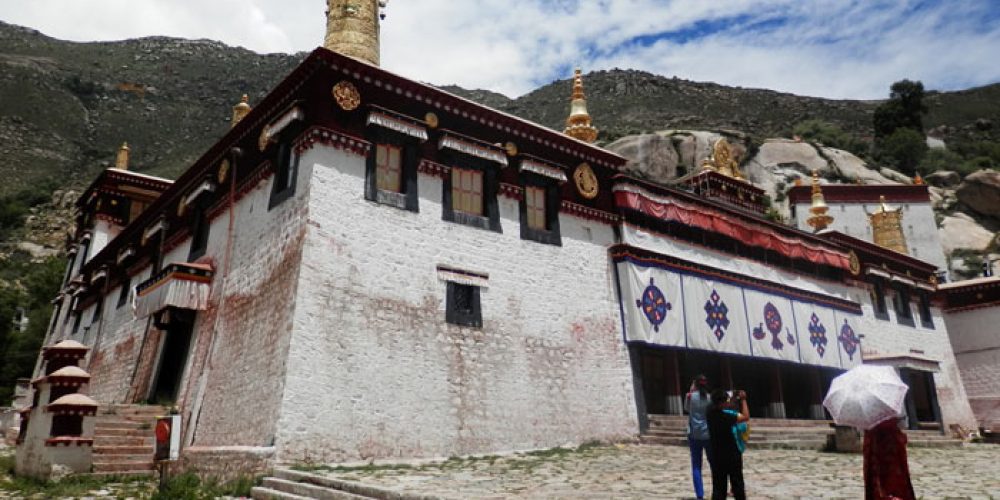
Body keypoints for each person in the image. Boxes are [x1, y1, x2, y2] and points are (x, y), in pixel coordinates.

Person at [707, 388, 749, 500]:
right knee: (737, 484)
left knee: (718, 487)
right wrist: (743, 400)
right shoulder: (726, 417)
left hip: (716, 454)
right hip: (731, 455)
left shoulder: (709, 413)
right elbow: (745, 417)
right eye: (726, 401)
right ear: (721, 403)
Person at [863, 417, 916, 500]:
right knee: (894, 475)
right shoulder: (892, 414)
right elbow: (903, 424)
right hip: (890, 444)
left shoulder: (868, 417)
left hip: (876, 444)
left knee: (877, 476)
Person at [685, 375, 712, 499]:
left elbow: (686, 409)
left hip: (694, 434)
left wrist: (691, 391)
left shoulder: (690, 397)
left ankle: (699, 495)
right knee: (713, 464)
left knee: (696, 465)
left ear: (695, 385)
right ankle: (717, 490)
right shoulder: (710, 398)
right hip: (708, 434)